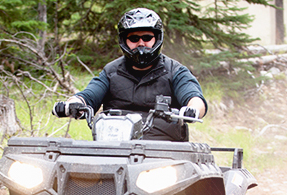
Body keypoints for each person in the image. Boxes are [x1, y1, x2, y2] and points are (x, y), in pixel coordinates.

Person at [52, 7, 207, 142]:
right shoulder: (111, 72)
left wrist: (192, 109)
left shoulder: (175, 71)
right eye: (134, 38)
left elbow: (195, 98)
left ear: (157, 39)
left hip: (164, 152)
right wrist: (72, 104)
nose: (141, 43)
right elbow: (87, 96)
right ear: (124, 41)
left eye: (147, 38)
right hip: (115, 150)